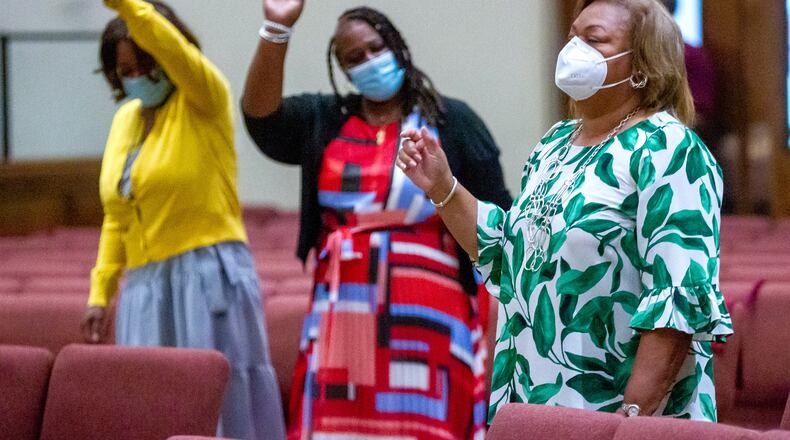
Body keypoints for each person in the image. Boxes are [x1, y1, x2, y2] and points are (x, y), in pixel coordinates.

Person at [398, 0, 731, 423]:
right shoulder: (555, 144)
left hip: (617, 415)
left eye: (593, 40)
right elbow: (507, 258)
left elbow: (677, 305)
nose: (574, 49)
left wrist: (629, 422)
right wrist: (443, 186)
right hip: (534, 406)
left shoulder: (669, 150)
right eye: (573, 35)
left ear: (643, 64)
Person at [242, 1, 512, 438]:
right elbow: (261, 118)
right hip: (343, 310)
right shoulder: (325, 118)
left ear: (398, 48)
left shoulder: (453, 120)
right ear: (344, 70)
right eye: (355, 58)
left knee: (426, 422)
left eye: (376, 48)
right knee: (345, 424)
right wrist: (276, 29)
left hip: (431, 313)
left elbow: (497, 216)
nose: (369, 61)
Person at [80, 1, 285, 439]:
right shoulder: (125, 121)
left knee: (218, 405)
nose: (136, 77)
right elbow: (117, 216)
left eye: (145, 64)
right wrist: (101, 291)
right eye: (125, 70)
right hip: (143, 286)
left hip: (206, 274)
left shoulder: (203, 96)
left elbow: (171, 48)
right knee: (151, 405)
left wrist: (127, 5)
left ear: (166, 57)